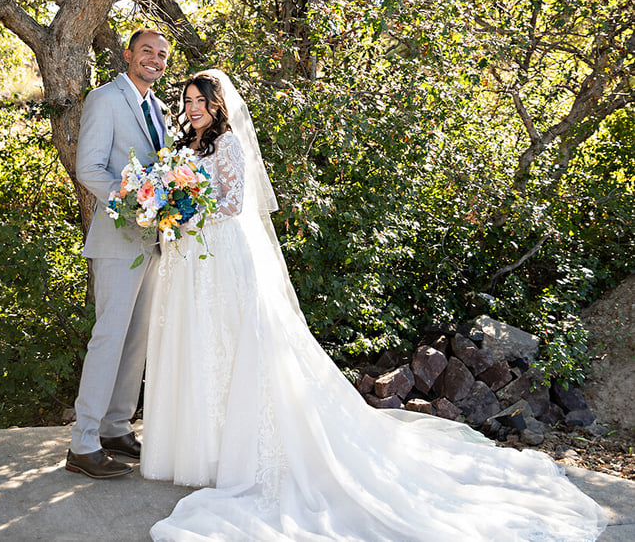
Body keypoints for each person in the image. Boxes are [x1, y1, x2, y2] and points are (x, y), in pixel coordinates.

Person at [141, 70, 607, 541]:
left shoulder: (229, 145)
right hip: (191, 261)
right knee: (199, 346)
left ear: (218, 105)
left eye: (201, 100)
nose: (194, 107)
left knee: (234, 347)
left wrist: (185, 206)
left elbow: (236, 203)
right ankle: (199, 449)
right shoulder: (184, 146)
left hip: (223, 259)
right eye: (188, 100)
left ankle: (241, 450)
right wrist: (168, 205)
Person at [66, 28, 171, 479]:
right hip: (117, 239)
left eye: (162, 54)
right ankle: (83, 443)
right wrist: (133, 203)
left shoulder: (161, 108)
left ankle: (115, 426)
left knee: (137, 339)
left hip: (153, 241)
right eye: (146, 50)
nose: (155, 59)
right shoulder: (105, 99)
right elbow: (87, 167)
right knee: (109, 337)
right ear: (128, 54)